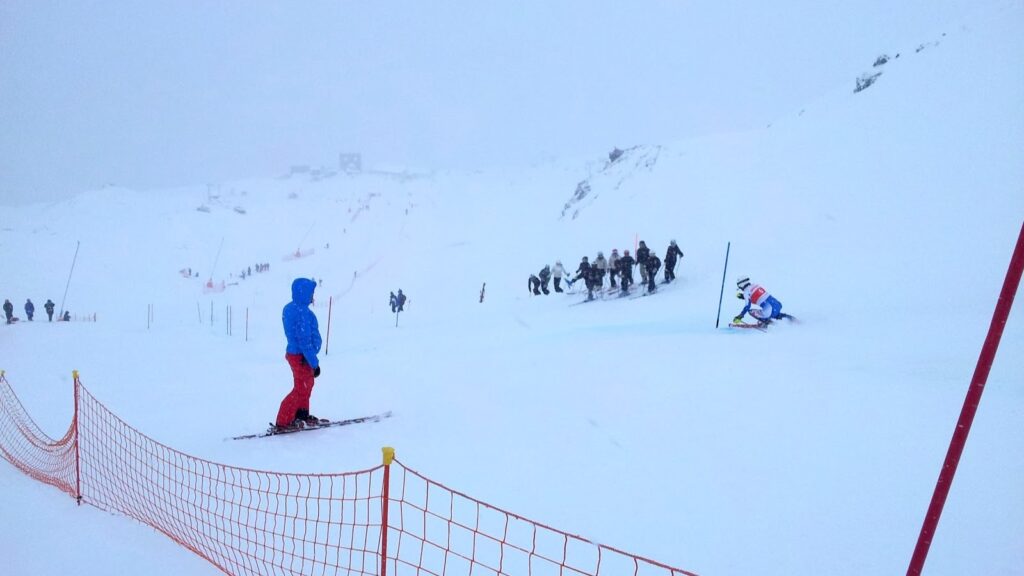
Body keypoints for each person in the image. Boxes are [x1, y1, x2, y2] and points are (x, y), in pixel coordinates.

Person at [274, 278, 323, 432]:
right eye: (311, 293)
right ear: (304, 294)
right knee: (302, 387)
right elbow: (304, 341)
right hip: (302, 356)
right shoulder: (301, 313)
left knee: (305, 385)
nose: (312, 296)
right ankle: (283, 420)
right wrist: (314, 363)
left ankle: (301, 414)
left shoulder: (292, 309)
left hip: (299, 355)